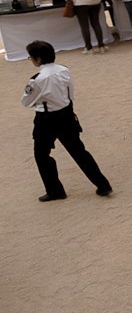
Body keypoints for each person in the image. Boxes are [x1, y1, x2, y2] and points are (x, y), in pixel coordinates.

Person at [21, 40, 112, 201]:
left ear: (38, 59)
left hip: (46, 120)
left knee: (41, 155)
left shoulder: (37, 79)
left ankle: (55, 190)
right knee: (79, 152)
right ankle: (103, 184)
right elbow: (70, 93)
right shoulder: (64, 70)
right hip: (66, 115)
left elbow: (26, 102)